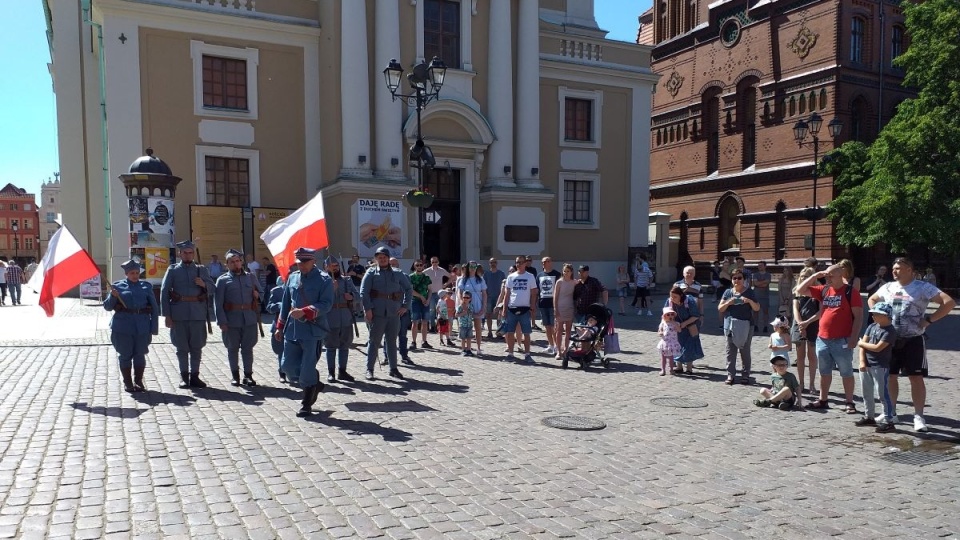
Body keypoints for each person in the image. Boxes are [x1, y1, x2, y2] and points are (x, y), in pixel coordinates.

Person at [868, 256, 955, 432]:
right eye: (894, 268)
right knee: (890, 376)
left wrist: (929, 319)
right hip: (890, 339)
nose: (894, 271)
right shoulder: (887, 287)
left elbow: (949, 302)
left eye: (898, 268)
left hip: (913, 339)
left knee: (915, 378)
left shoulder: (922, 287)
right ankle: (890, 412)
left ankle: (919, 416)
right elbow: (872, 300)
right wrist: (879, 319)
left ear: (910, 270)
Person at [797, 264, 864, 413]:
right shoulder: (824, 290)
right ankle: (823, 399)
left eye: (830, 276)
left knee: (846, 371)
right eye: (826, 275)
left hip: (842, 340)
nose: (827, 278)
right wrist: (815, 276)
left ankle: (849, 402)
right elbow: (800, 290)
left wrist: (853, 338)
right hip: (823, 338)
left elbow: (859, 316)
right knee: (824, 371)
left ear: (841, 275)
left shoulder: (850, 292)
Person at [275, 247, 333, 417]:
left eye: (305, 262)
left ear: (313, 261)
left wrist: (306, 311)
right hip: (292, 330)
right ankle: (314, 382)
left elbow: (327, 303)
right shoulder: (292, 278)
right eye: (299, 263)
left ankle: (306, 403)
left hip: (312, 331)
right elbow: (286, 304)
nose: (302, 266)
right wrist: (280, 327)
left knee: (306, 371)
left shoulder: (324, 280)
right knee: (287, 367)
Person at [160, 240, 215, 389]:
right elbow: (164, 292)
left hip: (198, 313)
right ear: (180, 254)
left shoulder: (201, 269)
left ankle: (195, 376)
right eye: (185, 252)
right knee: (181, 347)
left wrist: (204, 284)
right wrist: (167, 315)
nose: (188, 255)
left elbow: (212, 288)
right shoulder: (172, 270)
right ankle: (184, 377)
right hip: (179, 313)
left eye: (191, 252)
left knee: (197, 346)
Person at [104, 259, 159, 392]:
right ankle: (128, 382)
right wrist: (112, 296)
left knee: (140, 354)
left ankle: (139, 381)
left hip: (142, 326)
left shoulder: (146, 286)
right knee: (125, 354)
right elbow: (107, 307)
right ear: (126, 274)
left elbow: (155, 308)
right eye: (132, 273)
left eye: (137, 273)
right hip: (123, 327)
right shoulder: (117, 286)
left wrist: (154, 328)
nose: (135, 275)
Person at [360, 246, 411, 381]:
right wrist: (368, 309)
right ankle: (369, 369)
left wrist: (405, 306)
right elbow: (364, 292)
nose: (382, 260)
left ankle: (393, 368)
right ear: (376, 259)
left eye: (384, 257)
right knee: (374, 342)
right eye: (379, 257)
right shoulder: (371, 273)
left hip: (394, 313)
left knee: (392, 342)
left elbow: (408, 288)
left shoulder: (398, 273)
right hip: (377, 313)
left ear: (388, 259)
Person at [214, 249, 262, 387]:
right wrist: (221, 321)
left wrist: (257, 295)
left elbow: (262, 294)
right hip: (231, 320)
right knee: (232, 348)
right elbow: (218, 303)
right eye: (232, 262)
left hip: (249, 319)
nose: (235, 264)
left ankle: (248, 375)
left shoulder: (251, 277)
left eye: (237, 261)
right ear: (226, 264)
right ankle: (235, 375)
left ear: (241, 262)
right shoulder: (222, 281)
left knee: (248, 348)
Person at [855, 302, 898, 432]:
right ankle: (869, 416)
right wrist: (862, 361)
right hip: (866, 365)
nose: (873, 316)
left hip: (880, 366)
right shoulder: (872, 326)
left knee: (883, 395)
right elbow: (863, 346)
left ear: (886, 316)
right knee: (866, 392)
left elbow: (878, 348)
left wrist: (861, 343)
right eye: (873, 314)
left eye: (877, 314)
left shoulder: (890, 331)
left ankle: (889, 420)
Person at [718, 269, 760, 384]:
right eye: (734, 278)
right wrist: (728, 303)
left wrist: (749, 301)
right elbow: (720, 308)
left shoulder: (749, 292)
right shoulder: (727, 292)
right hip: (730, 325)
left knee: (745, 350)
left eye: (739, 278)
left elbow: (757, 308)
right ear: (731, 280)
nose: (737, 280)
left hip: (746, 325)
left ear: (744, 279)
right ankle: (730, 375)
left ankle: (745, 375)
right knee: (730, 351)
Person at [323, 256, 358, 383]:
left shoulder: (347, 280)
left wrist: (352, 296)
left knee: (345, 346)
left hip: (346, 317)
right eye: (332, 265)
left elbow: (358, 295)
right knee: (331, 347)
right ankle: (330, 372)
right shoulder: (323, 281)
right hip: (330, 317)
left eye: (336, 265)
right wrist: (332, 290)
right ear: (326, 267)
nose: (335, 267)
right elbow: (319, 299)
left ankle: (342, 371)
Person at [502, 256, 537, 363]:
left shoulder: (530, 277)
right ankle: (511, 353)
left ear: (525, 263)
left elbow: (534, 293)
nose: (518, 264)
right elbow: (506, 295)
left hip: (525, 309)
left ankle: (527, 354)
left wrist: (532, 307)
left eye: (520, 262)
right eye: (517, 262)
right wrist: (504, 309)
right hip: (512, 308)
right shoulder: (511, 277)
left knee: (526, 333)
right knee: (510, 332)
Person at [791, 267, 820, 394]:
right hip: (799, 326)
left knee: (812, 356)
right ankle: (801, 383)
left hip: (814, 325)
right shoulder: (797, 292)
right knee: (800, 356)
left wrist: (808, 323)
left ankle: (812, 384)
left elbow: (821, 311)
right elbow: (795, 310)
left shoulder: (818, 292)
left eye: (806, 276)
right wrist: (801, 324)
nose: (803, 278)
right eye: (802, 276)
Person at [664, 286, 703, 374]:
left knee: (689, 346)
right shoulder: (669, 301)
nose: (672, 298)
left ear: (681, 296)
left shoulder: (689, 301)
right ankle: (679, 366)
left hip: (691, 325)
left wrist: (684, 324)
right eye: (671, 296)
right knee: (677, 345)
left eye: (675, 297)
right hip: (676, 327)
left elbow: (695, 315)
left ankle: (689, 368)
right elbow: (665, 315)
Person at [457, 262, 487, 356]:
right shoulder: (463, 279)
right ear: (468, 268)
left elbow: (484, 294)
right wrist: (462, 302)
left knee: (478, 327)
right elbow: (459, 292)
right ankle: (465, 348)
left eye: (475, 267)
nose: (473, 268)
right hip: (467, 303)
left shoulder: (480, 279)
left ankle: (478, 347)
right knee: (466, 326)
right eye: (471, 267)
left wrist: (484, 306)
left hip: (477, 303)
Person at [536, 257, 562, 354]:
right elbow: (537, 290)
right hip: (543, 303)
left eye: (546, 261)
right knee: (547, 326)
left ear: (551, 262)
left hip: (553, 304)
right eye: (542, 262)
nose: (544, 263)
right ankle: (550, 345)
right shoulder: (539, 275)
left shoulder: (557, 274)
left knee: (553, 326)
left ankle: (557, 345)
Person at [553, 263, 577, 359]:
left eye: (568, 271)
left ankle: (566, 350)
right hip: (560, 307)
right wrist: (555, 309)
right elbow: (555, 296)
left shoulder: (574, 282)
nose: (566, 273)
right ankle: (559, 351)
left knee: (568, 330)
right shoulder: (559, 282)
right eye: (564, 271)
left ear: (571, 272)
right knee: (559, 330)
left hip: (569, 307)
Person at [266, 276, 287, 383]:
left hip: (296, 325)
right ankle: (282, 373)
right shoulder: (277, 291)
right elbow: (269, 307)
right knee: (280, 350)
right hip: (280, 325)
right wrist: (280, 306)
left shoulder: (300, 289)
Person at [408, 260, 432, 350]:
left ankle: (424, 341)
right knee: (414, 322)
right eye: (417, 265)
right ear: (414, 266)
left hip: (425, 301)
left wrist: (428, 299)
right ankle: (413, 342)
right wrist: (421, 296)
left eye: (420, 265)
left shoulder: (426, 277)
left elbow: (429, 290)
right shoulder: (411, 277)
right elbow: (411, 290)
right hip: (415, 301)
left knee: (425, 322)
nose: (419, 266)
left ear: (423, 266)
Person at [423, 256, 449, 332]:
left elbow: (451, 276)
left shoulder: (442, 270)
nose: (434, 263)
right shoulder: (427, 271)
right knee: (432, 311)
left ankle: (441, 326)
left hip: (440, 294)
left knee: (441, 310)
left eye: (436, 262)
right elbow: (420, 276)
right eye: (433, 262)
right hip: (430, 293)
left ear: (438, 262)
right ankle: (433, 327)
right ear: (430, 263)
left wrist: (446, 284)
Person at [483, 258, 506, 338]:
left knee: (499, 315)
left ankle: (499, 332)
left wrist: (502, 297)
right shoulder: (486, 274)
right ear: (489, 263)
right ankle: (489, 332)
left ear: (497, 263)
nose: (493, 264)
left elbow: (504, 286)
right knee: (488, 315)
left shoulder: (501, 274)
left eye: (494, 262)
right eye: (491, 262)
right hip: (489, 297)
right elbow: (484, 286)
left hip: (498, 297)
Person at [657, 306, 681, 376]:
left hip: (672, 343)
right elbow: (659, 331)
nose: (670, 316)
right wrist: (660, 333)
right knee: (663, 358)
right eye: (668, 314)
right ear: (664, 316)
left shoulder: (676, 323)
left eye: (672, 314)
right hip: (665, 343)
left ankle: (671, 369)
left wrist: (674, 324)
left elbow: (679, 330)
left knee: (671, 358)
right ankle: (663, 369)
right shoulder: (663, 323)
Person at [752, 260, 772, 332]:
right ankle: (755, 325)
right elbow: (755, 283)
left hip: (765, 296)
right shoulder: (755, 274)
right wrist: (762, 283)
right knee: (755, 312)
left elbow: (766, 284)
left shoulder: (768, 275)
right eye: (758, 265)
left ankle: (765, 326)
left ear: (765, 266)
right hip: (756, 296)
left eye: (761, 265)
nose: (759, 267)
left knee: (765, 312)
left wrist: (759, 283)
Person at [456, 291, 476, 356]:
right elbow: (456, 315)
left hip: (469, 324)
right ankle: (463, 349)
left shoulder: (471, 306)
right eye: (464, 297)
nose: (465, 299)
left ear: (470, 299)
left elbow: (472, 313)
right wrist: (462, 313)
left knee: (469, 338)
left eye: (467, 298)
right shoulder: (460, 306)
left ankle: (469, 349)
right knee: (463, 338)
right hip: (463, 324)